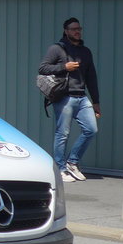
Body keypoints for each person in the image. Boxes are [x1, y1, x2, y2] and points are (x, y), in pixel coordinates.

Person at [38, 17, 100, 182]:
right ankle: (60, 168)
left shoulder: (85, 51)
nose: (77, 31)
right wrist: (64, 67)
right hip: (64, 97)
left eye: (79, 29)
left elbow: (91, 77)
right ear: (66, 31)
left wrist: (96, 102)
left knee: (91, 129)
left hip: (82, 97)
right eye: (73, 29)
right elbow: (43, 68)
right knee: (63, 134)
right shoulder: (57, 49)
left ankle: (72, 162)